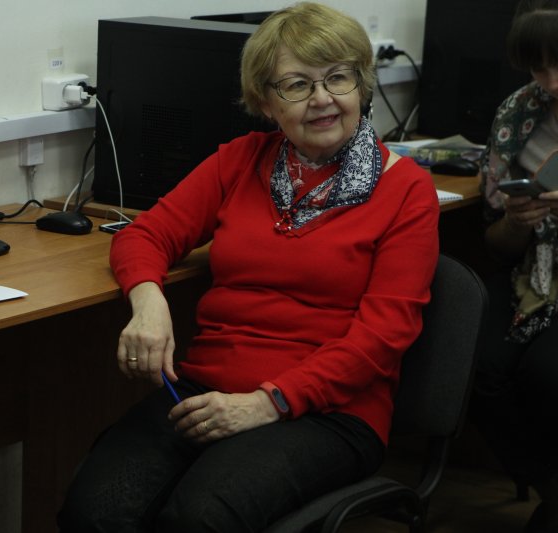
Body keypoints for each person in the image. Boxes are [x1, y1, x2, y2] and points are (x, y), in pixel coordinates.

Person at [58, 3, 440, 531]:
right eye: (298, 85)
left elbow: (383, 336)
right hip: (204, 392)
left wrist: (269, 402)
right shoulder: (241, 160)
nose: (323, 98)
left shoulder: (407, 189)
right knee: (94, 511)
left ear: (361, 85)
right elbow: (145, 234)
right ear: (265, 102)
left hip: (329, 413)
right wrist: (148, 302)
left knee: (198, 519)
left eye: (338, 78)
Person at [470, 0, 558, 531]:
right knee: (474, 367)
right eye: (537, 68)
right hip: (536, 271)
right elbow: (495, 242)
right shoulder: (518, 113)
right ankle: (549, 486)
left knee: (545, 372)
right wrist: (518, 222)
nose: (550, 82)